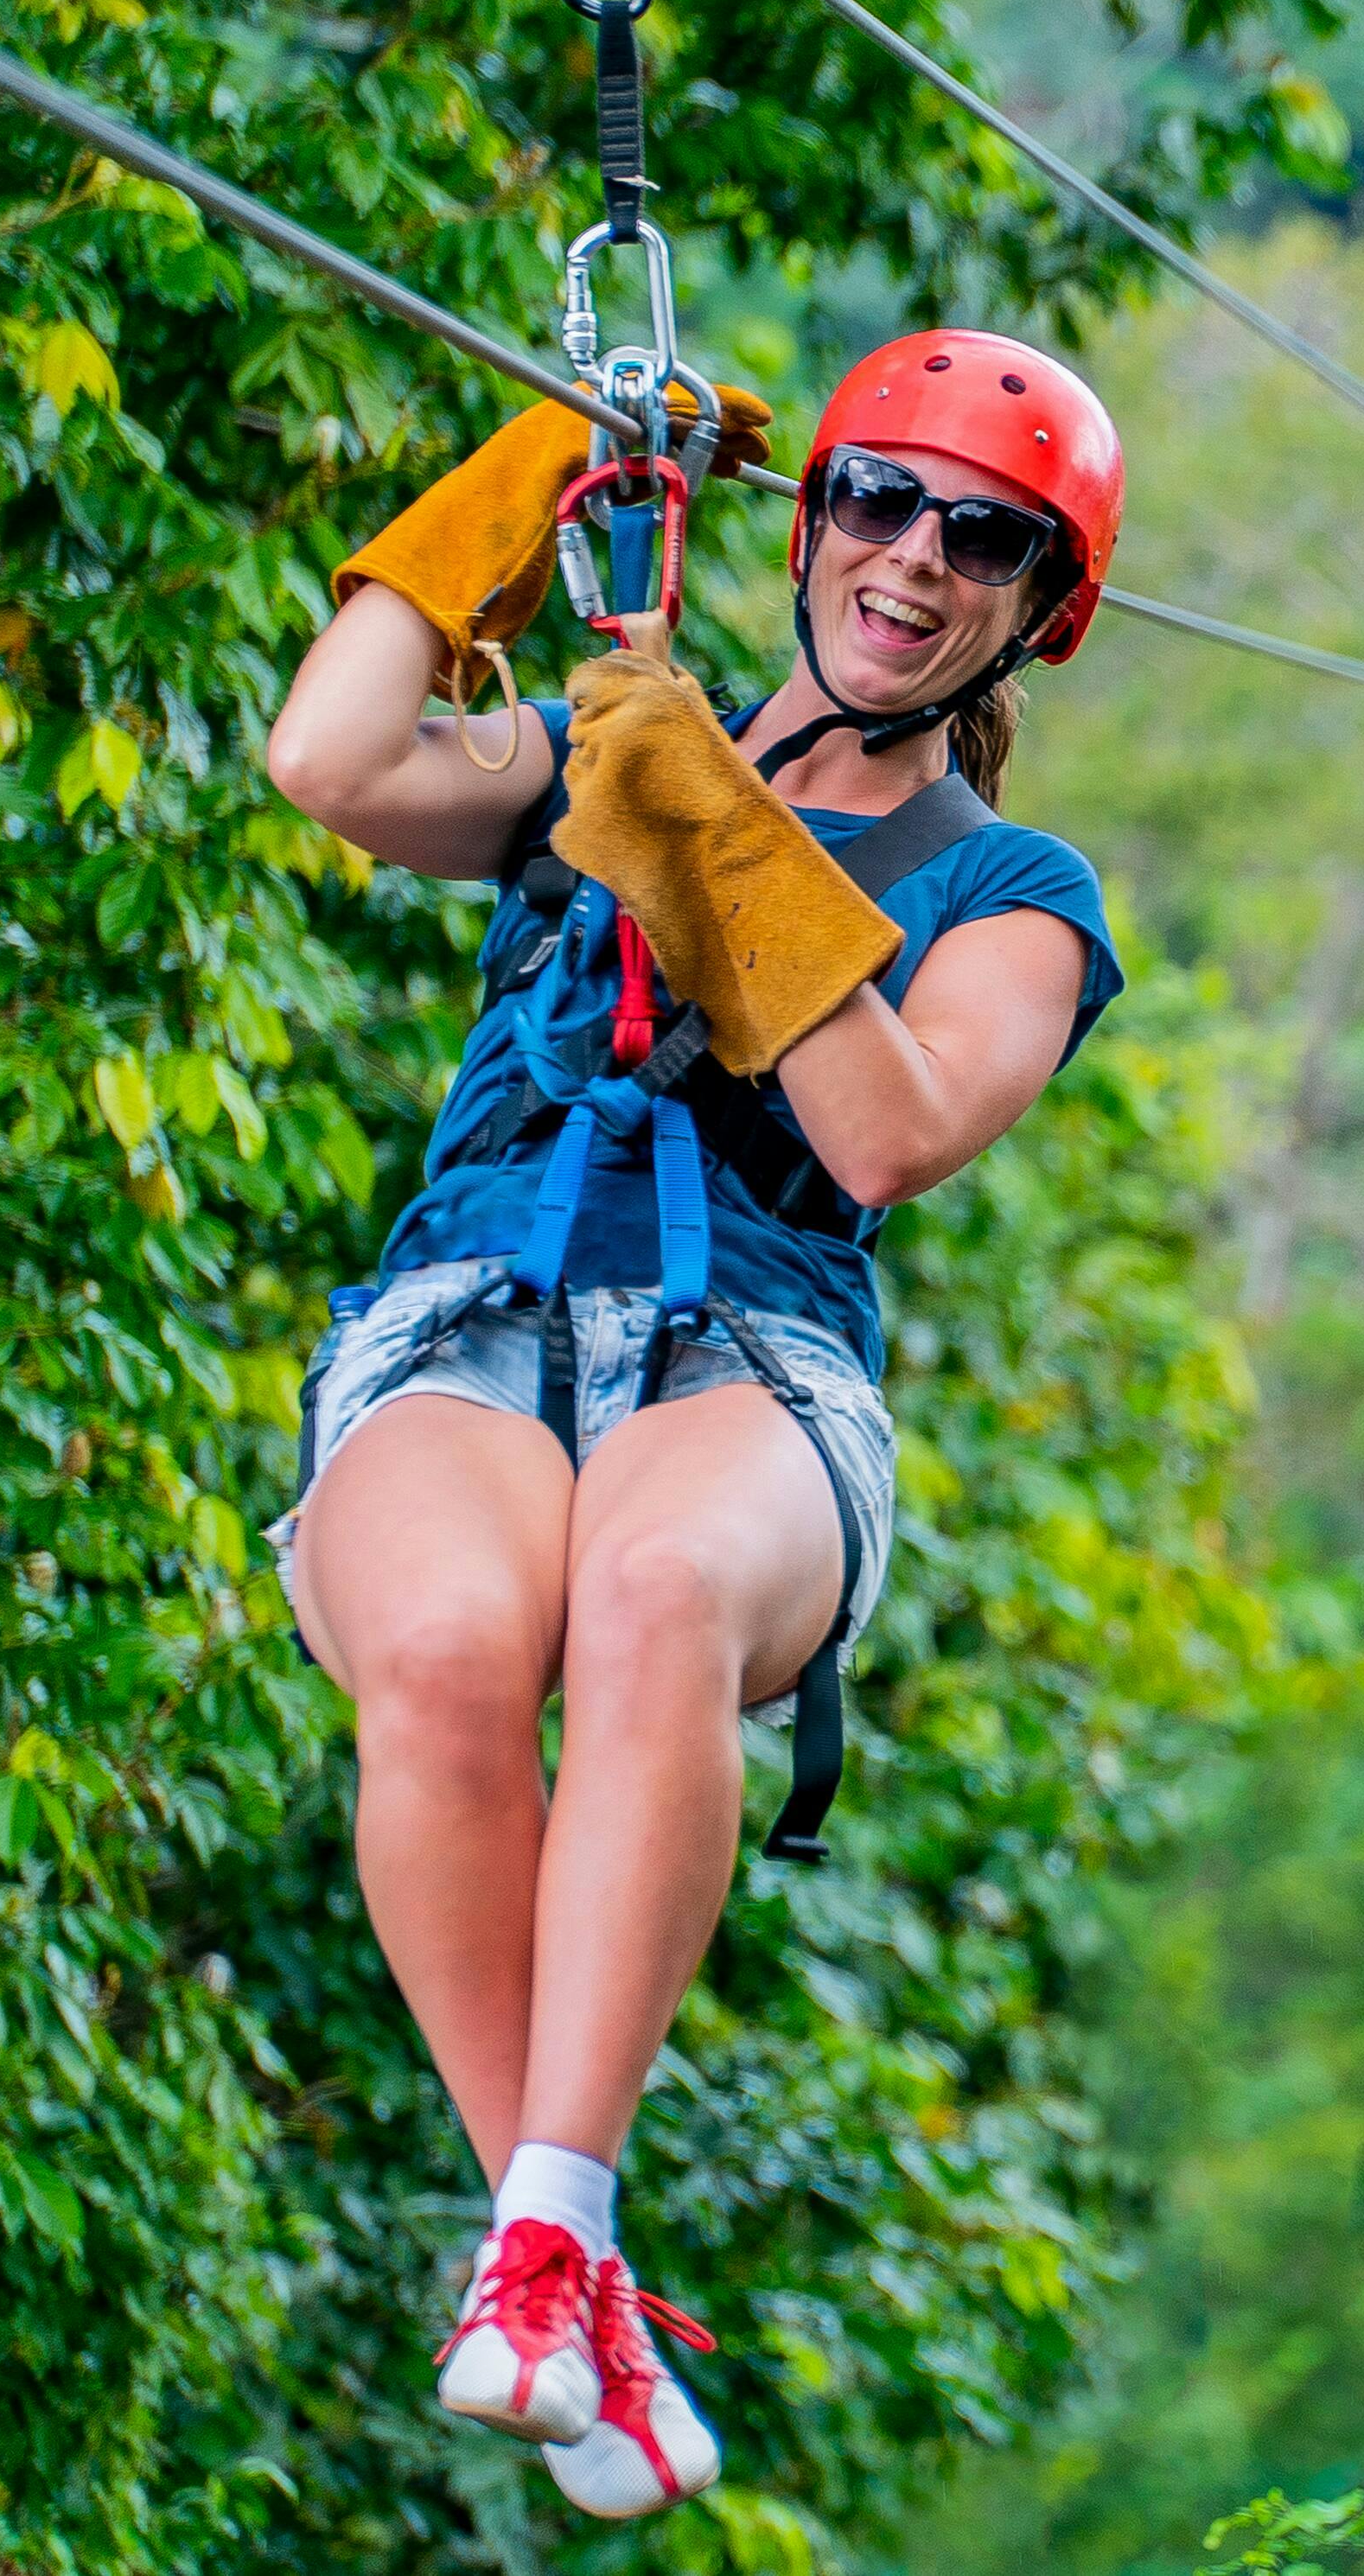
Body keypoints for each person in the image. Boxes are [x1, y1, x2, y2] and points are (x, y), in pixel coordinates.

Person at [259, 332, 1127, 2516]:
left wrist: (707, 808)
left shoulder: (1014, 894)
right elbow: (331, 757)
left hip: (749, 1349)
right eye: (877, 503)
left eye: (984, 538)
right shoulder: (591, 746)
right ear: (808, 514)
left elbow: (893, 1123)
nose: (914, 559)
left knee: (650, 1592)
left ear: (1037, 604)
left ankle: (556, 2224)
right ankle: (560, 2250)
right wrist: (545, 465)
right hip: (476, 1305)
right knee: (444, 1652)